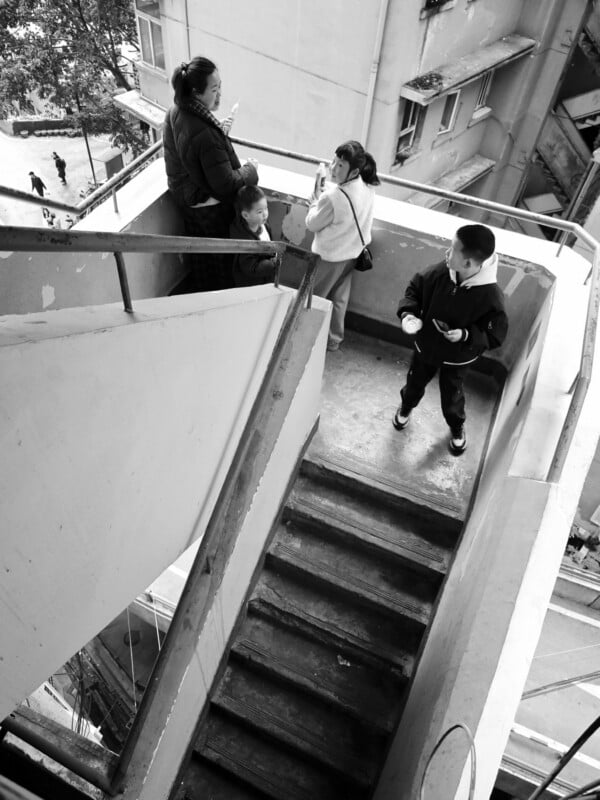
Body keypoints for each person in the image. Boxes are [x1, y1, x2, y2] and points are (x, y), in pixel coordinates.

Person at [393, 224, 508, 455]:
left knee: (452, 396)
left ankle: (456, 427)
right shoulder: (440, 272)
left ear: (468, 263)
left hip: (457, 359)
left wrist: (466, 335)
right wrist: (408, 314)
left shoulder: (491, 296)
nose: (447, 253)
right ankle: (406, 407)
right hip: (426, 348)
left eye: (453, 249)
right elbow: (414, 289)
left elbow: (495, 334)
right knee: (414, 382)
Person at [163, 56, 259, 291]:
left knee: (202, 258)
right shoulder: (204, 132)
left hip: (186, 199)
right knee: (220, 263)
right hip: (206, 207)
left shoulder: (176, 110)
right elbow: (226, 184)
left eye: (220, 87)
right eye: (214, 89)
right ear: (196, 93)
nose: (219, 94)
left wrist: (218, 136)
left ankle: (204, 298)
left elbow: (193, 154)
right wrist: (251, 171)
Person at [305, 140, 379, 351]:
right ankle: (334, 340)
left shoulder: (333, 196)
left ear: (354, 170)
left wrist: (314, 202)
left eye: (340, 165)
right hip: (353, 254)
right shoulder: (367, 185)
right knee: (339, 300)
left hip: (329, 257)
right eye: (334, 162)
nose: (333, 168)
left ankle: (305, 336)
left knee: (314, 298)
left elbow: (312, 224)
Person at [230, 185, 279, 287]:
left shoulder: (264, 225)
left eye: (266, 208)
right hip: (252, 284)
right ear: (245, 215)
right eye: (259, 212)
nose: (265, 214)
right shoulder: (245, 242)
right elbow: (252, 268)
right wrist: (274, 263)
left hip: (266, 277)